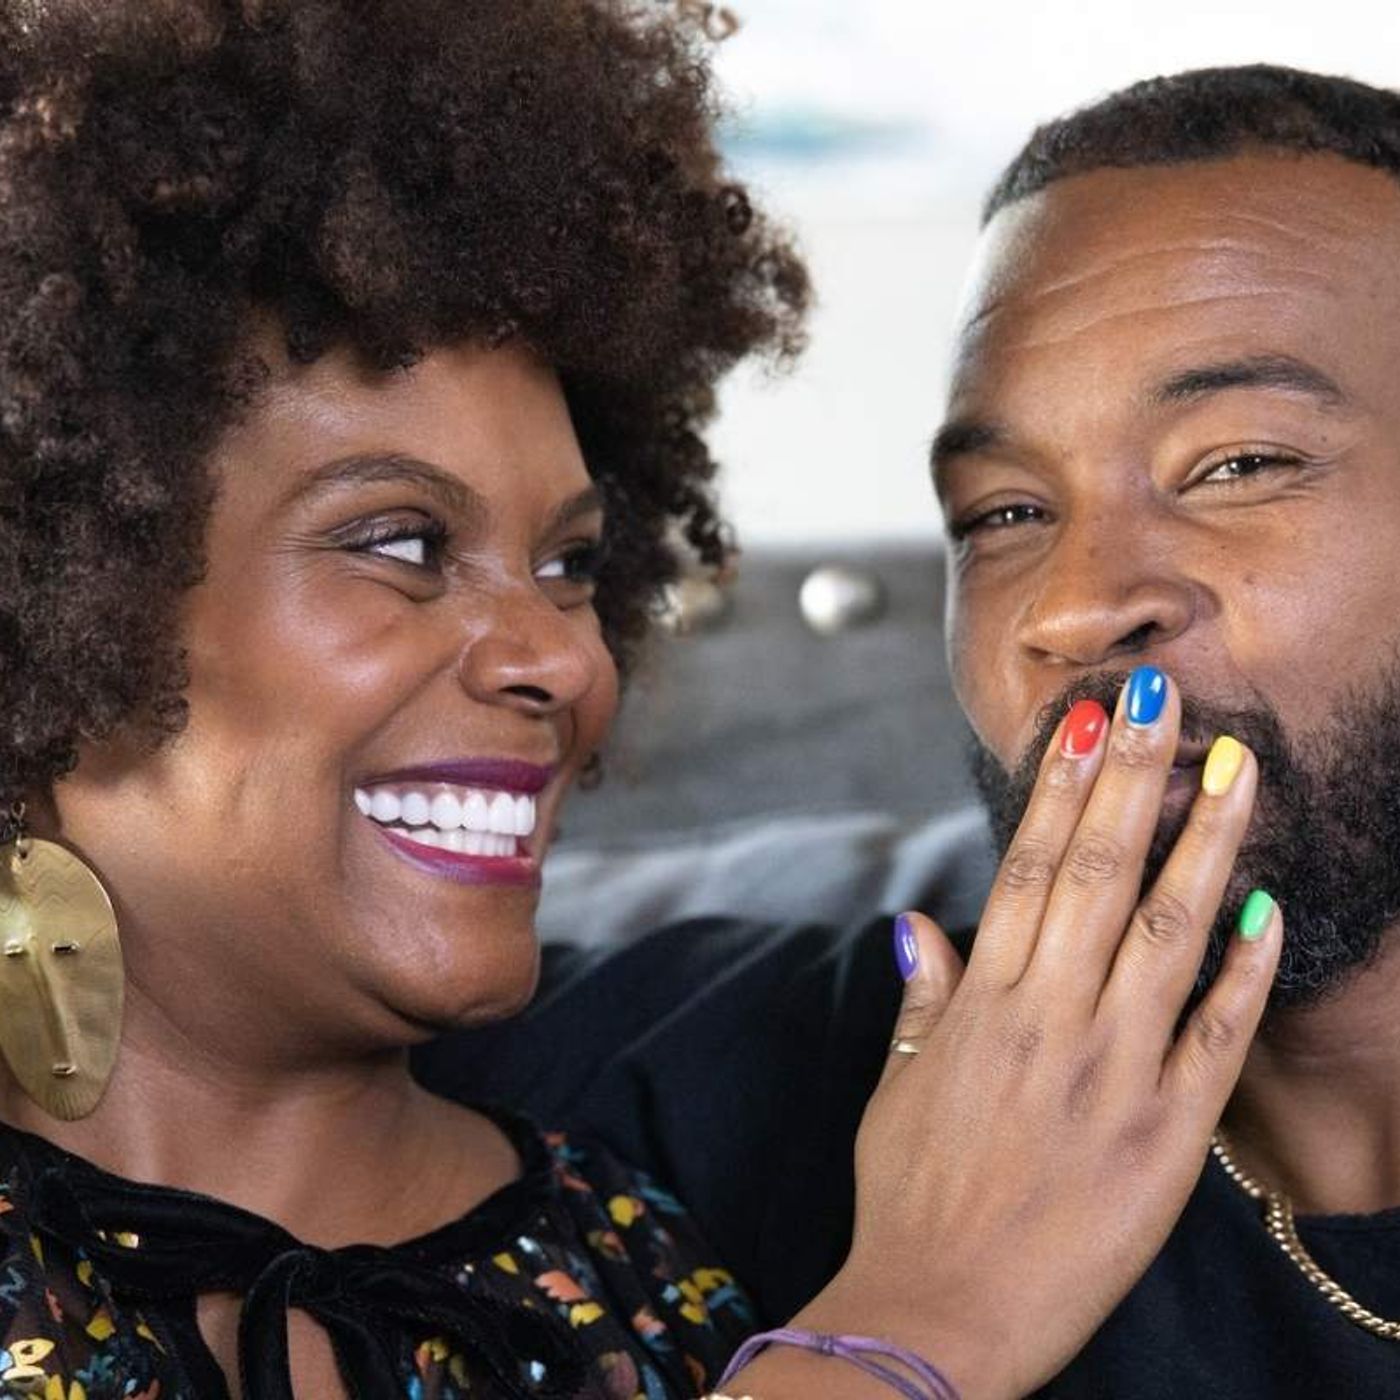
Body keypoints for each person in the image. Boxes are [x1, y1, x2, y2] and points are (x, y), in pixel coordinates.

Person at [0, 4, 1286, 1399]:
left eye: (570, 566)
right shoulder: (855, 1283)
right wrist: (916, 1328)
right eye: (402, 542)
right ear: (59, 592)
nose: (562, 659)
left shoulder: (646, 1267)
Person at [425, 63, 1400, 1396]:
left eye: (1239, 465)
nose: (1075, 606)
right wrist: (917, 1317)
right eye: (1004, 513)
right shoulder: (770, 1084)